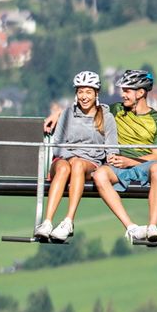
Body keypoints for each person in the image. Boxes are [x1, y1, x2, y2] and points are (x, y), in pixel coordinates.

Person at [45, 69, 157, 242]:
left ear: (141, 93)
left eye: (127, 91)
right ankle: (131, 227)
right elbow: (86, 109)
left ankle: (153, 227)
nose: (122, 94)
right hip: (116, 165)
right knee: (100, 174)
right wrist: (58, 114)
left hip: (142, 165)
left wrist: (130, 161)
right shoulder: (116, 110)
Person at [34, 71, 118, 242]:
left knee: (78, 164)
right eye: (80, 92)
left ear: (96, 94)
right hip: (64, 161)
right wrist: (70, 157)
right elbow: (57, 144)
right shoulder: (66, 114)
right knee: (65, 167)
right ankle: (48, 222)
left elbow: (112, 148)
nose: (84, 97)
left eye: (88, 92)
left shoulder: (107, 118)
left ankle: (68, 221)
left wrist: (112, 161)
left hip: (89, 164)